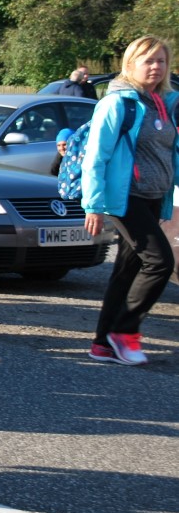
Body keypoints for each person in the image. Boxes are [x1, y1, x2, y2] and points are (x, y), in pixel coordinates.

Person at [82, 36, 177, 366]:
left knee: (127, 270)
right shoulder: (117, 103)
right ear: (130, 64)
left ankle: (102, 344)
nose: (155, 67)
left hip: (154, 196)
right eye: (148, 60)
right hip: (125, 198)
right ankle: (125, 332)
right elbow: (96, 156)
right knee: (160, 262)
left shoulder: (165, 102)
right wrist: (93, 205)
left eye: (161, 61)